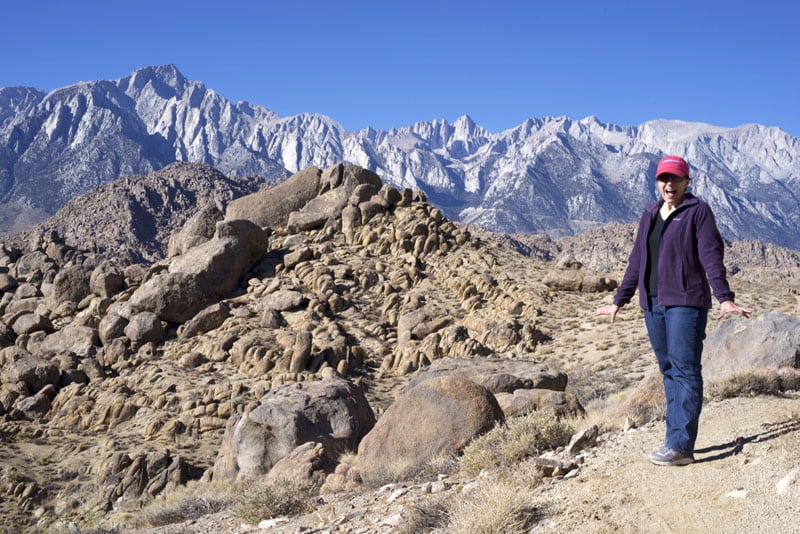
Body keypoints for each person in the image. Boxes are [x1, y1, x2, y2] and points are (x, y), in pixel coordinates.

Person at [593, 155, 751, 466]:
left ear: (686, 182)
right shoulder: (650, 213)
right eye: (664, 179)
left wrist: (724, 296)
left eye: (675, 179)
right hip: (652, 304)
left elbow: (710, 255)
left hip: (686, 303)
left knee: (685, 370)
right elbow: (637, 260)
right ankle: (673, 439)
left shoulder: (698, 212)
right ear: (657, 182)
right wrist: (618, 301)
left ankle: (681, 445)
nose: (669, 184)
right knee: (668, 371)